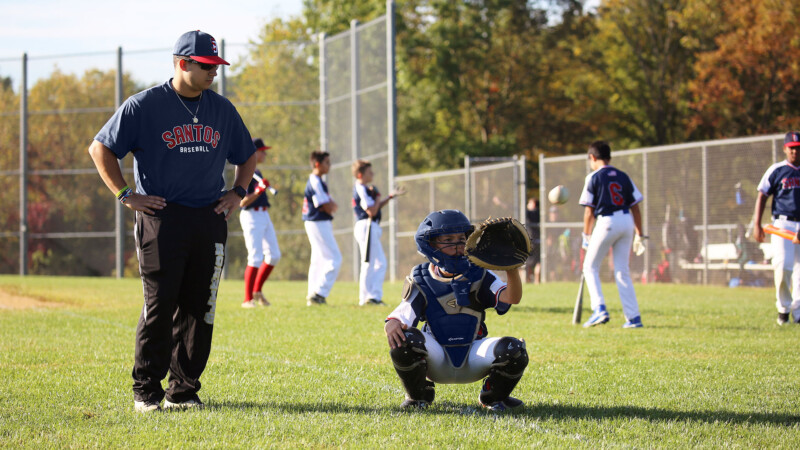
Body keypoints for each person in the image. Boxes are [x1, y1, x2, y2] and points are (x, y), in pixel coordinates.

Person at [87, 30, 257, 412]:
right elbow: (100, 148)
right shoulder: (144, 105)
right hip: (162, 218)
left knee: (201, 307)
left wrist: (237, 192)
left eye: (216, 65)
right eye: (207, 65)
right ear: (182, 63)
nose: (214, 72)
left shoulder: (222, 108)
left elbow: (247, 156)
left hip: (209, 217)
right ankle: (146, 392)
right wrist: (125, 194)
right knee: (160, 304)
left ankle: (183, 391)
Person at [384, 209, 528, 411]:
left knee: (514, 350)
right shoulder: (421, 277)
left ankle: (492, 396)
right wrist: (392, 322)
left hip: (473, 356)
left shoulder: (480, 273)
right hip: (436, 360)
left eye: (462, 238)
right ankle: (419, 396)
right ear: (431, 244)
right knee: (404, 339)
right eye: (449, 239)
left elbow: (512, 298)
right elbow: (404, 311)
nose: (458, 245)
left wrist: (512, 269)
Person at [579, 140, 646, 329]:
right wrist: (640, 234)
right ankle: (633, 318)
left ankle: (599, 309)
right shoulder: (623, 176)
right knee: (622, 271)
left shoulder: (593, 177)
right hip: (627, 222)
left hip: (607, 221)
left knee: (590, 267)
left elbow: (588, 212)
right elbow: (636, 207)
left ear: (592, 157)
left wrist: (586, 236)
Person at [753, 131, 800, 325]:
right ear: (785, 149)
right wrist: (756, 224)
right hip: (782, 225)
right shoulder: (777, 170)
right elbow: (762, 195)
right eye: (791, 148)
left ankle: (798, 312)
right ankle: (783, 309)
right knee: (783, 267)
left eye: (797, 149)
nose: (795, 152)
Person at [351, 160, 405, 306]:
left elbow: (376, 205)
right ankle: (367, 298)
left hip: (369, 226)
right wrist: (377, 197)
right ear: (361, 174)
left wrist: (389, 197)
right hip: (366, 225)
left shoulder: (364, 188)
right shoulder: (361, 188)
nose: (372, 174)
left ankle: (372, 296)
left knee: (379, 263)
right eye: (369, 172)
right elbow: (371, 211)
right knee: (370, 263)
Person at [239, 138, 281, 308]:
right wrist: (258, 191)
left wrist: (260, 189)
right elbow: (242, 202)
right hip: (251, 216)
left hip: (264, 215)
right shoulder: (245, 171)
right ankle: (247, 299)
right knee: (255, 257)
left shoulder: (258, 172)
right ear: (253, 152)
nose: (264, 153)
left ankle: (257, 291)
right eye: (261, 150)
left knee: (274, 255)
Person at [302, 150, 342, 306]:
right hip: (317, 222)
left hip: (317, 222)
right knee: (335, 258)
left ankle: (313, 293)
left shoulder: (319, 181)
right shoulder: (315, 181)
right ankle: (319, 293)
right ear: (317, 164)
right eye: (327, 162)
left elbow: (331, 205)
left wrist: (331, 206)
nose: (329, 165)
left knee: (318, 260)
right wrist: (330, 206)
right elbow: (326, 206)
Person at [524, 198, 541, 284]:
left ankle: (528, 281)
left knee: (528, 262)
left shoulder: (533, 213)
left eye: (529, 203)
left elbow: (522, 211)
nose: (528, 205)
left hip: (532, 241)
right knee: (538, 261)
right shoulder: (541, 213)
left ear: (534, 204)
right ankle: (537, 282)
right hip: (539, 241)